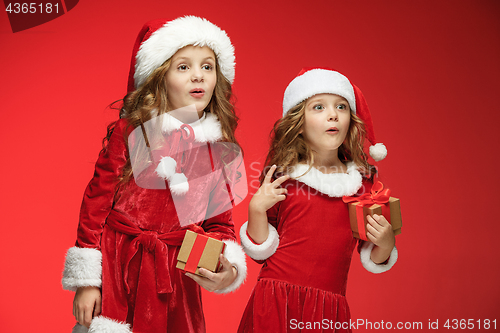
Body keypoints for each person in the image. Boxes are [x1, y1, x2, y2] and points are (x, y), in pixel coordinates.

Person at [62, 16, 247, 333]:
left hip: (175, 282)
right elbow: (95, 204)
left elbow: (220, 224)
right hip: (120, 270)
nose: (197, 76)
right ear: (159, 77)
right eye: (183, 67)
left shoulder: (219, 148)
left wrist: (226, 267)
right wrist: (87, 281)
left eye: (207, 66)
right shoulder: (132, 132)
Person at [238, 68, 398, 332]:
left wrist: (386, 242)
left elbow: (372, 253)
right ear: (298, 124)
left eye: (341, 106)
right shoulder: (282, 176)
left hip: (328, 310)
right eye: (319, 107)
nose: (333, 114)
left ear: (350, 120)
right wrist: (256, 209)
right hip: (276, 301)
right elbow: (260, 250)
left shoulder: (362, 183)